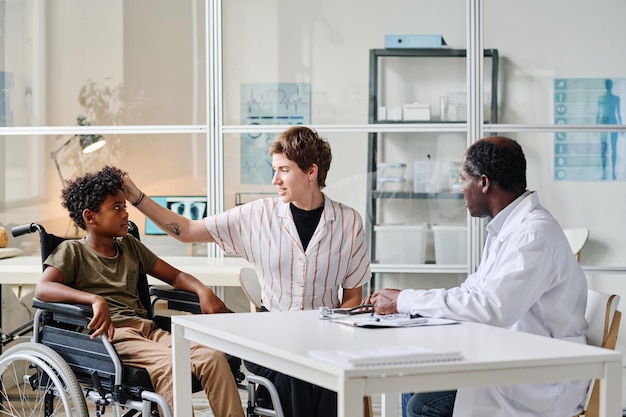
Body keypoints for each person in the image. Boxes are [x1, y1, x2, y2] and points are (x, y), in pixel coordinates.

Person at [122, 125, 372, 417]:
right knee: (295, 374)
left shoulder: (348, 222)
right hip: (271, 336)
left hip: (326, 335)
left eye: (283, 170)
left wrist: (335, 333)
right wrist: (137, 198)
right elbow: (187, 231)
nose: (274, 179)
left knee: (336, 378)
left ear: (311, 172)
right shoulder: (258, 215)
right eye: (274, 169)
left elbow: (354, 295)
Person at [366, 136, 589, 417]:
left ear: (483, 183)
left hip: (542, 377)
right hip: (516, 358)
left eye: (463, 179)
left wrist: (406, 301)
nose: (461, 190)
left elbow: (492, 308)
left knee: (422, 405)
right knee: (414, 378)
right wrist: (408, 303)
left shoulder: (533, 234)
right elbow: (472, 291)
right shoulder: (507, 228)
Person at [35, 166, 244, 417]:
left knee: (212, 358)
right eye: (116, 208)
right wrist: (94, 299)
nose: (125, 214)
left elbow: (175, 275)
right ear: (90, 217)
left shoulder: (130, 246)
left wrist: (202, 290)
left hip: (148, 331)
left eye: (125, 206)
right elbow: (43, 289)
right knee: (171, 366)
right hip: (112, 337)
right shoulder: (72, 251)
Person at [596, 78, 623, 180]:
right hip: (604, 122)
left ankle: (612, 172)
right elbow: (598, 114)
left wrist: (621, 128)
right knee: (603, 149)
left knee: (613, 149)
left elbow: (619, 113)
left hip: (612, 122)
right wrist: (596, 127)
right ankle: (604, 172)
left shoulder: (616, 98)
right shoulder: (601, 99)